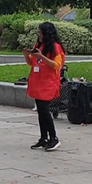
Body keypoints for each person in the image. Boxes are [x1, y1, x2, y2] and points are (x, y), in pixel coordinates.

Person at [23, 22, 65, 151]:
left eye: (40, 32)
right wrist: (26, 55)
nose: (39, 34)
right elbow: (32, 62)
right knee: (41, 112)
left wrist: (41, 57)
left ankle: (53, 138)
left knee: (45, 111)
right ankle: (43, 138)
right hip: (37, 82)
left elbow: (56, 65)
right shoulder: (39, 45)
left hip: (48, 83)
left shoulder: (56, 47)